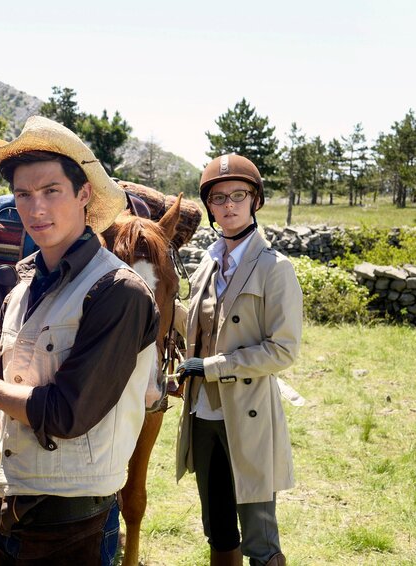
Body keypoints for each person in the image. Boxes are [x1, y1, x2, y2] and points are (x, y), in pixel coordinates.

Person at [0, 116, 160, 565]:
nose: (35, 208)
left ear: (84, 195)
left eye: (51, 191)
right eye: (23, 194)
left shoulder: (118, 292)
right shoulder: (21, 289)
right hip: (5, 519)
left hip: (73, 531)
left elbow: (64, 414)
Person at [174, 154, 303, 566]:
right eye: (218, 198)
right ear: (209, 207)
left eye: (238, 195)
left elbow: (283, 349)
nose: (228, 205)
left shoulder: (275, 269)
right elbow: (194, 328)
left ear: (255, 200)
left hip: (248, 413)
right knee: (218, 529)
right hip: (201, 413)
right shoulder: (205, 265)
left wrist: (213, 368)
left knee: (259, 535)